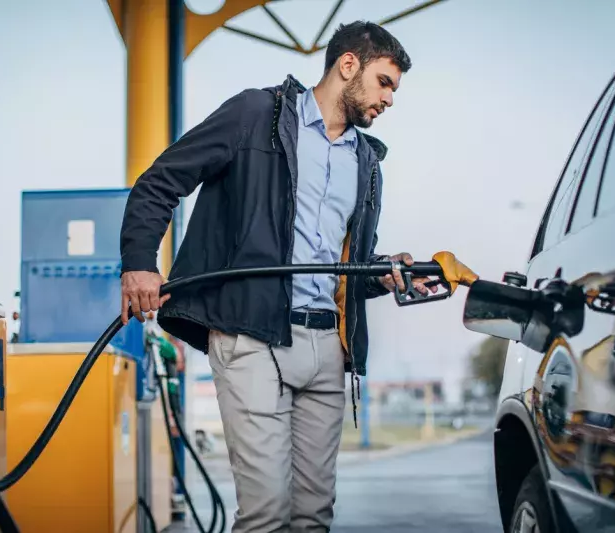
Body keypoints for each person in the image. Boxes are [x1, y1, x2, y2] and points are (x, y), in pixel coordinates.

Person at [120, 20, 434, 532]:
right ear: (348, 64)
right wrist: (138, 262)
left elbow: (350, 264)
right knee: (265, 514)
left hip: (328, 345)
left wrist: (388, 275)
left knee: (313, 517)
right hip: (252, 333)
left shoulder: (366, 162)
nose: (390, 100)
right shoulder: (255, 115)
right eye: (385, 82)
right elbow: (159, 182)